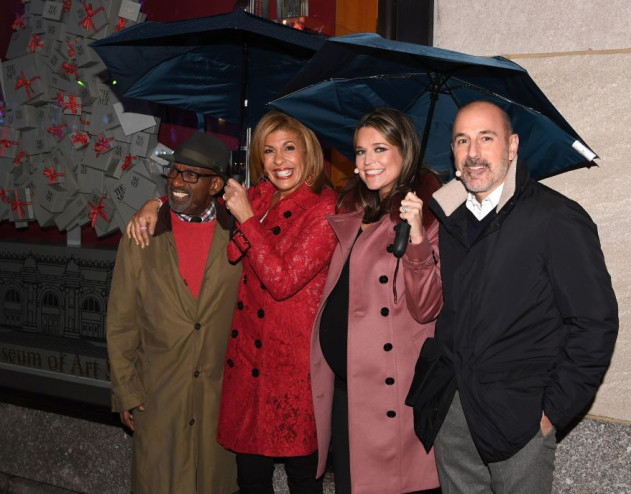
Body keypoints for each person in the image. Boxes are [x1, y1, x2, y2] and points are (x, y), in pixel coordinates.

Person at [406, 100, 619, 494]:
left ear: (512, 145)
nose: (473, 153)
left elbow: (594, 323)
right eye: (462, 140)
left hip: (519, 417)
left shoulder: (556, 218)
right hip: (454, 410)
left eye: (486, 138)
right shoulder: (450, 216)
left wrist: (551, 412)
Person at [127, 111, 337, 493]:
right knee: (250, 480)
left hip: (292, 371)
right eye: (269, 151)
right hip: (246, 367)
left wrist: (248, 218)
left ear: (309, 152)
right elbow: (200, 199)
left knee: (303, 480)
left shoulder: (324, 208)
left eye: (289, 149)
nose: (279, 161)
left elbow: (283, 280)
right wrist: (157, 204)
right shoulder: (260, 195)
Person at [310, 107, 443, 493]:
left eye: (380, 149)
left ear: (406, 153)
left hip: (388, 396)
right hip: (345, 389)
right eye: (361, 151)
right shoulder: (357, 210)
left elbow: (427, 307)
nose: (368, 162)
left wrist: (417, 236)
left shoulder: (429, 217)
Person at [107, 132, 241, 493]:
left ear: (216, 184)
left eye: (191, 175)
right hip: (158, 399)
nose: (178, 182)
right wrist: (128, 391)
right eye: (174, 173)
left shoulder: (240, 236)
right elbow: (121, 320)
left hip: (219, 403)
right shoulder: (143, 234)